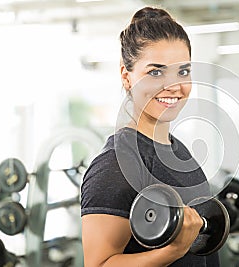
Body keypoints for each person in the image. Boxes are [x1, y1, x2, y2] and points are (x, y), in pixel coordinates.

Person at [81, 7, 219, 267]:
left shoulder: (180, 153)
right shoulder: (115, 165)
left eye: (183, 71)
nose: (173, 86)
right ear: (126, 76)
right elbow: (98, 265)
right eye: (155, 72)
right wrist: (173, 251)